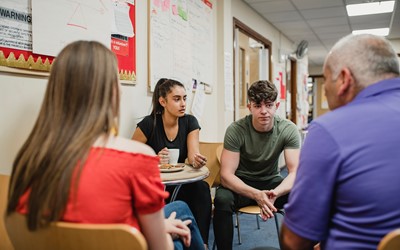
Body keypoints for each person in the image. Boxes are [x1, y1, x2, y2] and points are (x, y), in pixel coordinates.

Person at [6, 40, 204, 250]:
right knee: (181, 217)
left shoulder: (28, 160)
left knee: (178, 209)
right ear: (111, 93)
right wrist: (156, 229)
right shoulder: (137, 157)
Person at [281, 34, 400, 250]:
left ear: (344, 79)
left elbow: (294, 241)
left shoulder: (329, 129)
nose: (325, 90)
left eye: (326, 80)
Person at [213, 80, 301, 250]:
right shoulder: (236, 129)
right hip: (242, 184)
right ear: (249, 106)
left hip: (272, 184)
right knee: (222, 199)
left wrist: (276, 193)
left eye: (268, 105)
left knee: (302, 194)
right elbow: (226, 176)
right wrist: (256, 194)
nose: (264, 111)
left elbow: (295, 172)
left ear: (277, 105)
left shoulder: (288, 129)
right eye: (258, 105)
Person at [132, 78, 212, 246]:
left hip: (180, 183)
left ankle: (202, 243)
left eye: (184, 98)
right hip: (156, 184)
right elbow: (130, 157)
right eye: (177, 99)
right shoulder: (149, 123)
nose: (183, 104)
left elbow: (192, 154)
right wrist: (154, 159)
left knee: (202, 188)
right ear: (163, 102)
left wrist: (196, 160)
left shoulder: (190, 122)